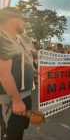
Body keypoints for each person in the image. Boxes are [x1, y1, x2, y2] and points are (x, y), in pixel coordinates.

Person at [0, 7, 34, 140]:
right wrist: (17, 101)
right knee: (10, 135)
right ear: (11, 19)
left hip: (22, 95)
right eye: (22, 18)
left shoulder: (16, 39)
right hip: (10, 100)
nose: (24, 22)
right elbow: (3, 73)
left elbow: (21, 63)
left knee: (17, 133)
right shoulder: (3, 38)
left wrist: (35, 72)